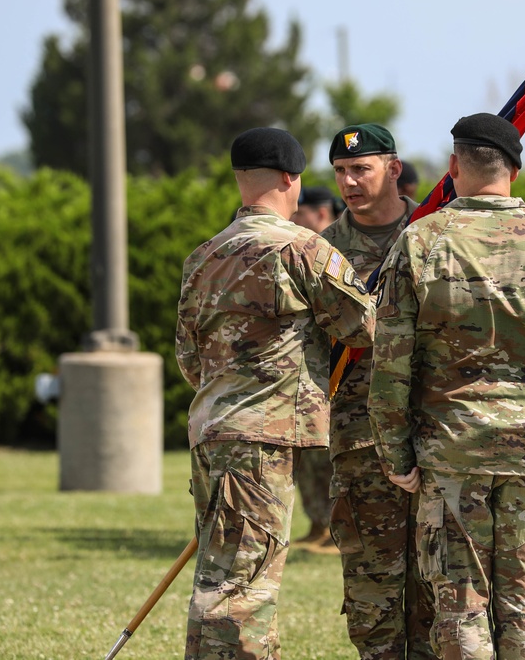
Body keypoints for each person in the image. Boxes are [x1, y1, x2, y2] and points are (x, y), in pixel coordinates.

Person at [368, 112, 525, 660]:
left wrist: (395, 452)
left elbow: (391, 364)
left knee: (460, 618)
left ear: (454, 168)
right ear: (515, 172)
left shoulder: (419, 243)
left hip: (451, 457)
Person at [175, 127, 375, 659]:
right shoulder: (302, 248)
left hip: (214, 431)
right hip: (261, 439)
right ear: (291, 178)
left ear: (241, 180)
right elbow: (363, 328)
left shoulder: (204, 255)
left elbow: (188, 355)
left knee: (221, 576)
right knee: (244, 587)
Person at [324, 122, 433, 659]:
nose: (350, 182)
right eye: (341, 172)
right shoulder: (322, 252)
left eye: (361, 169)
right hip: (359, 440)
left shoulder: (436, 231)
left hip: (433, 434)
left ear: (392, 168)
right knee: (372, 584)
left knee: (439, 583)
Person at [289, 184, 346, 554]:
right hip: (307, 377)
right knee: (308, 462)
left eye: (300, 212)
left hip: (336, 374)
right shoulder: (296, 248)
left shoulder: (330, 251)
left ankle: (332, 527)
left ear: (320, 213)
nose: (294, 218)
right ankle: (316, 523)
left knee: (328, 460)